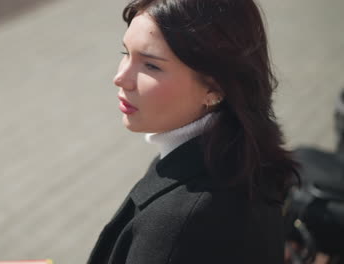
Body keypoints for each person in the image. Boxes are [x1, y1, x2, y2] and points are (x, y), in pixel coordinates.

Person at [87, 0, 300, 263]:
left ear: (215, 87)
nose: (120, 78)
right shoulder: (240, 150)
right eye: (125, 54)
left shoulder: (180, 223)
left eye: (151, 65)